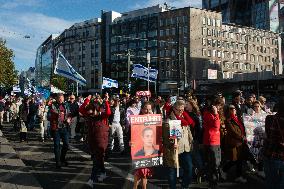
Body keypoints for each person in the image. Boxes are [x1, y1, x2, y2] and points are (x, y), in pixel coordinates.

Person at [163, 100, 195, 189]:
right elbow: (165, 138)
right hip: (173, 150)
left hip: (185, 148)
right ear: (174, 109)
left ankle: (184, 186)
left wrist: (191, 142)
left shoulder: (185, 118)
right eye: (179, 110)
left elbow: (188, 132)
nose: (181, 111)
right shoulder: (169, 120)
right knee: (172, 171)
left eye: (182, 109)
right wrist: (172, 143)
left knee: (189, 168)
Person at [80, 93, 111, 186]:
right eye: (88, 110)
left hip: (101, 140)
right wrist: (87, 99)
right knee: (98, 158)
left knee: (96, 159)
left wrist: (106, 101)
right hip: (92, 140)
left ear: (96, 110)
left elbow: (108, 112)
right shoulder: (89, 116)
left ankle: (92, 180)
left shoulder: (101, 116)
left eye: (91, 110)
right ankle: (103, 173)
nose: (89, 112)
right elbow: (81, 109)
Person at [133, 101, 156, 189]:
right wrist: (131, 141)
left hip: (150, 149)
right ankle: (135, 187)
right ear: (142, 109)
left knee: (146, 172)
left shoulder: (154, 119)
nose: (147, 110)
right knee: (140, 170)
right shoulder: (137, 119)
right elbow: (133, 133)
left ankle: (143, 187)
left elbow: (157, 132)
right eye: (146, 108)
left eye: (149, 109)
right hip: (139, 148)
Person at [263, 95, 284, 189]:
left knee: (270, 182)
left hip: (270, 154)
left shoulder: (269, 118)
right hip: (280, 155)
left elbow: (267, 135)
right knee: (280, 183)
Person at [222, 105, 247, 183]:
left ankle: (238, 176)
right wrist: (241, 137)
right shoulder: (228, 120)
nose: (233, 110)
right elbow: (232, 131)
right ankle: (224, 170)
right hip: (234, 142)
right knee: (234, 159)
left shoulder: (238, 118)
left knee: (239, 159)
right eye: (231, 109)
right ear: (228, 111)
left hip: (241, 142)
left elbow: (242, 128)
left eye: (234, 108)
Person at [202, 95, 223, 189]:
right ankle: (212, 182)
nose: (219, 107)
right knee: (214, 163)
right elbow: (216, 126)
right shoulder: (208, 113)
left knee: (217, 162)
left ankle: (213, 179)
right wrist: (216, 114)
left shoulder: (215, 114)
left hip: (216, 140)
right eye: (218, 105)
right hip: (211, 141)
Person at [49, 94, 72, 169]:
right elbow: (49, 116)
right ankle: (58, 162)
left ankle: (62, 158)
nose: (61, 100)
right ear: (57, 98)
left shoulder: (66, 105)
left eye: (62, 98)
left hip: (64, 127)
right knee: (57, 145)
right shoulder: (53, 105)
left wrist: (69, 119)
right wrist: (57, 115)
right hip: (56, 128)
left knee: (66, 144)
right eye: (59, 98)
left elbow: (69, 114)